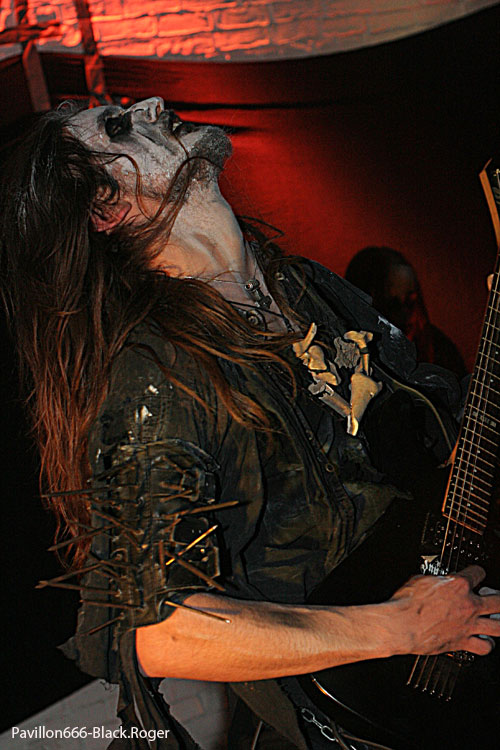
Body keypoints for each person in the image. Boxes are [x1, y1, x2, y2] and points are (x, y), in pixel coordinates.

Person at [1, 97, 499, 750]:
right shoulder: (159, 369)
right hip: (350, 720)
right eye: (119, 128)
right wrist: (401, 628)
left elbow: (425, 450)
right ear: (106, 207)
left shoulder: (304, 288)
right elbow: (158, 629)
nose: (152, 103)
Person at [345, 246, 466, 377]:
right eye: (395, 304)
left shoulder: (437, 346)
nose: (409, 315)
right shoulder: (348, 347)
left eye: (412, 301)